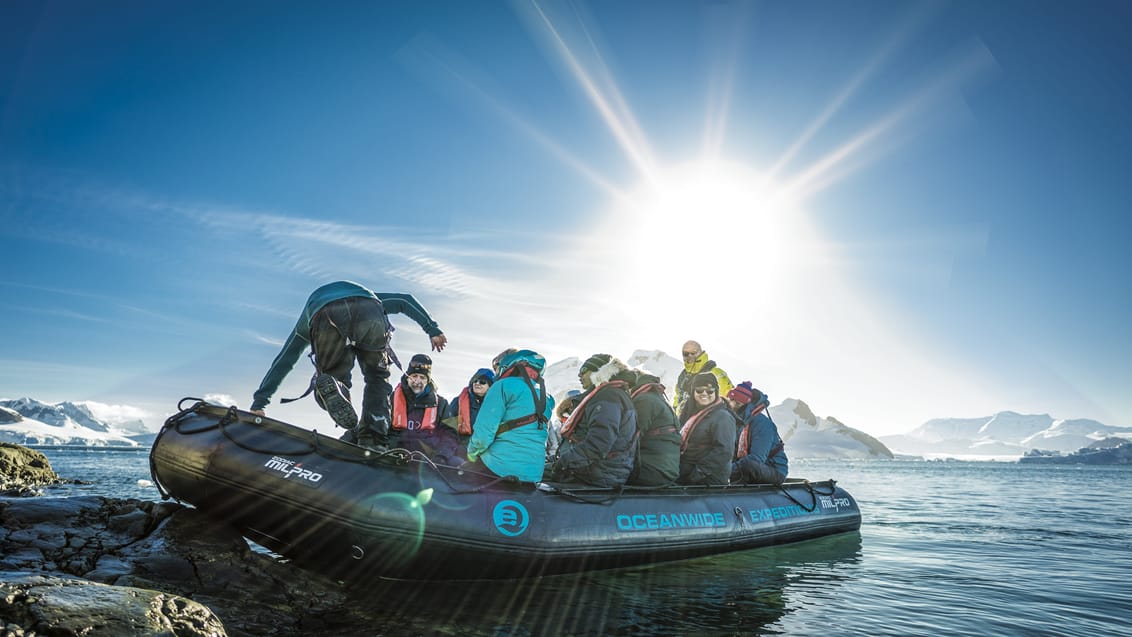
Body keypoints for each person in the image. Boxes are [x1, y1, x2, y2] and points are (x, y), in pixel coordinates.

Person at [249, 281, 446, 450]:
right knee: (377, 378)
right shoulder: (369, 296)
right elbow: (405, 300)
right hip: (369, 311)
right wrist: (432, 329)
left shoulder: (305, 323)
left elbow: (284, 361)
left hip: (324, 315)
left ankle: (336, 387)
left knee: (332, 377)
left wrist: (260, 403)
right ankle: (373, 439)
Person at [547, 354, 637, 488]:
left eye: (583, 371)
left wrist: (563, 463)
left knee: (533, 475)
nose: (579, 376)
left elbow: (599, 443)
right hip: (605, 470)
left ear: (598, 370)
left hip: (598, 473)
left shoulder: (607, 396)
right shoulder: (613, 393)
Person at [465, 349, 554, 482]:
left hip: (498, 467)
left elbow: (483, 434)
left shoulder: (502, 386)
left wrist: (470, 454)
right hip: (534, 473)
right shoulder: (547, 397)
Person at [388, 358, 456, 463]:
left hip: (429, 460)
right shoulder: (390, 399)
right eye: (414, 376)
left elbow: (450, 435)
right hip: (393, 455)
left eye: (422, 377)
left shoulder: (442, 404)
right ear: (407, 378)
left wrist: (442, 456)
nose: (418, 381)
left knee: (458, 463)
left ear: (427, 380)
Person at [677, 372, 737, 486]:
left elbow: (724, 451)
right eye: (699, 390)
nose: (704, 393)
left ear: (716, 392)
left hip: (707, 477)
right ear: (693, 392)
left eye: (710, 391)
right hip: (687, 470)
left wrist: (696, 474)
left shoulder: (723, 416)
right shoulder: (690, 413)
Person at [623, 369, 681, 487]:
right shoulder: (659, 399)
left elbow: (632, 439)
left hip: (651, 470)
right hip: (666, 469)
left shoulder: (644, 400)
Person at [726, 382, 789, 485]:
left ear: (746, 404)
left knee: (749, 465)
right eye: (730, 400)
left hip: (773, 470)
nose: (732, 405)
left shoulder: (762, 423)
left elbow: (757, 458)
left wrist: (727, 470)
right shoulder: (734, 422)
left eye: (737, 403)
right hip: (745, 469)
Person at [442, 367, 495, 457]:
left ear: (490, 386)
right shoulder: (458, 401)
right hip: (461, 448)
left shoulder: (496, 406)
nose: (477, 383)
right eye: (475, 380)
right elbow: (448, 429)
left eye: (482, 382)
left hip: (486, 451)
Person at [673, 340, 734, 418]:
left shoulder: (716, 373)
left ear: (700, 353)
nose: (690, 356)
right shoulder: (683, 376)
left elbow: (730, 399)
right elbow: (678, 397)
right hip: (685, 423)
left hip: (710, 422)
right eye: (686, 354)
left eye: (693, 353)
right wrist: (675, 413)